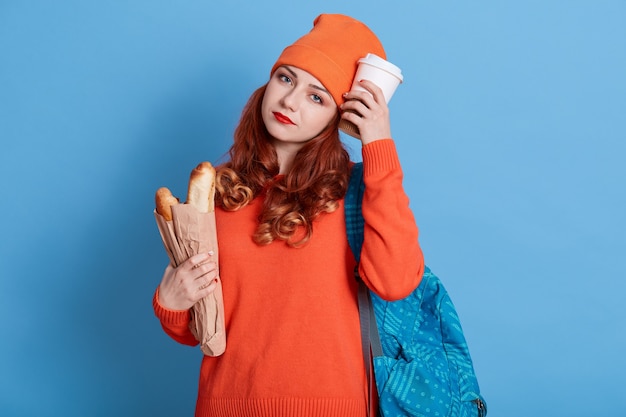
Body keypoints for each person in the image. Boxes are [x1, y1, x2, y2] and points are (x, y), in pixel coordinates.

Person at [153, 13, 425, 417]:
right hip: (227, 403)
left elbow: (395, 282)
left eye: (317, 96)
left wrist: (379, 144)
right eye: (286, 78)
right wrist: (170, 302)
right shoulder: (218, 192)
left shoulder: (356, 193)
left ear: (339, 115)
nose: (290, 101)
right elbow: (199, 331)